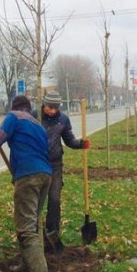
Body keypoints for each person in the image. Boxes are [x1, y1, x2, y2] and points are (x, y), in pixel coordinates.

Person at [0, 95, 54, 272]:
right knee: (34, 223)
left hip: (28, 177)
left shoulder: (13, 116)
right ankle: (27, 263)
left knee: (26, 228)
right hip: (45, 175)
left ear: (15, 107)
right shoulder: (37, 124)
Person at [39, 91, 90, 251]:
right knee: (36, 202)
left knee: (54, 199)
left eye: (55, 108)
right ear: (43, 104)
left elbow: (69, 140)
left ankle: (52, 232)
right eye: (49, 107)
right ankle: (36, 235)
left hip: (55, 165)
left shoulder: (63, 119)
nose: (52, 111)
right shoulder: (35, 116)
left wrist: (80, 143)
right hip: (37, 163)